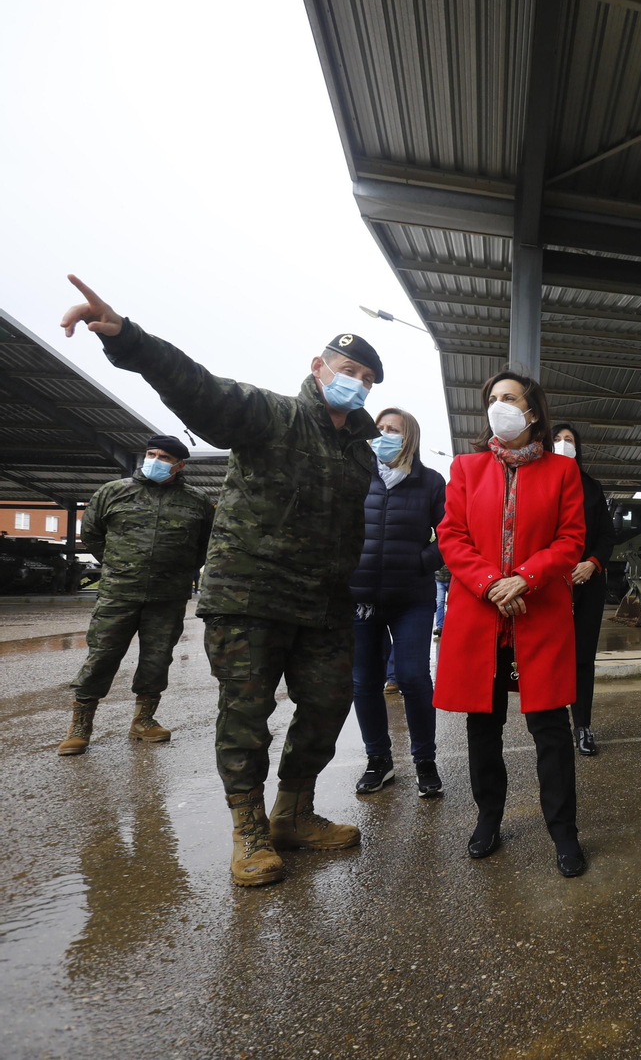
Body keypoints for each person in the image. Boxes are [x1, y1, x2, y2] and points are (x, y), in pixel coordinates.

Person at [61, 275, 384, 888]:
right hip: (250, 595)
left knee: (327, 705)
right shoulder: (272, 415)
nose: (359, 385)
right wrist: (129, 340)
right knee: (246, 714)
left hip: (323, 603)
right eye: (350, 370)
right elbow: (200, 391)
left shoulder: (362, 453)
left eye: (369, 381)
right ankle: (250, 832)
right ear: (319, 367)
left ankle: (294, 813)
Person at [434, 370, 588, 877]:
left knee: (549, 728)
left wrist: (524, 578)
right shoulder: (466, 468)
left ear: (533, 412)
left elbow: (570, 541)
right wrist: (488, 583)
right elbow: (452, 536)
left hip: (537, 611)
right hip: (480, 615)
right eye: (493, 399)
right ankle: (488, 819)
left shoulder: (563, 474)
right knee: (483, 725)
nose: (499, 406)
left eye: (510, 398)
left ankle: (563, 832)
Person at [57, 434, 213, 754]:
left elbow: (204, 546)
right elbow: (92, 534)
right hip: (119, 592)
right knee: (102, 657)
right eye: (151, 453)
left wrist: (178, 570)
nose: (154, 459)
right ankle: (81, 725)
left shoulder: (197, 501)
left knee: (156, 660)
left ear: (180, 465)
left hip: (168, 596)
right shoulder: (114, 492)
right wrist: (118, 565)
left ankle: (144, 720)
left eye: (164, 457)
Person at [349, 407, 447, 797]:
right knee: (364, 682)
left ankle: (425, 760)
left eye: (394, 430)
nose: (385, 434)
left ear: (410, 438)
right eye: (381, 428)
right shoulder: (356, 475)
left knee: (413, 678)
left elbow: (453, 534)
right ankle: (379, 760)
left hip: (412, 598)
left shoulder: (431, 482)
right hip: (359, 599)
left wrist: (420, 563)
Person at [552, 422, 616, 756]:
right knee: (550, 657)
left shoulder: (591, 487)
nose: (564, 444)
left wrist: (592, 563)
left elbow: (607, 536)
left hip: (587, 582)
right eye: (558, 439)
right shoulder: (539, 483)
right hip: (549, 584)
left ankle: (583, 725)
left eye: (569, 440)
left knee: (582, 658)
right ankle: (551, 724)